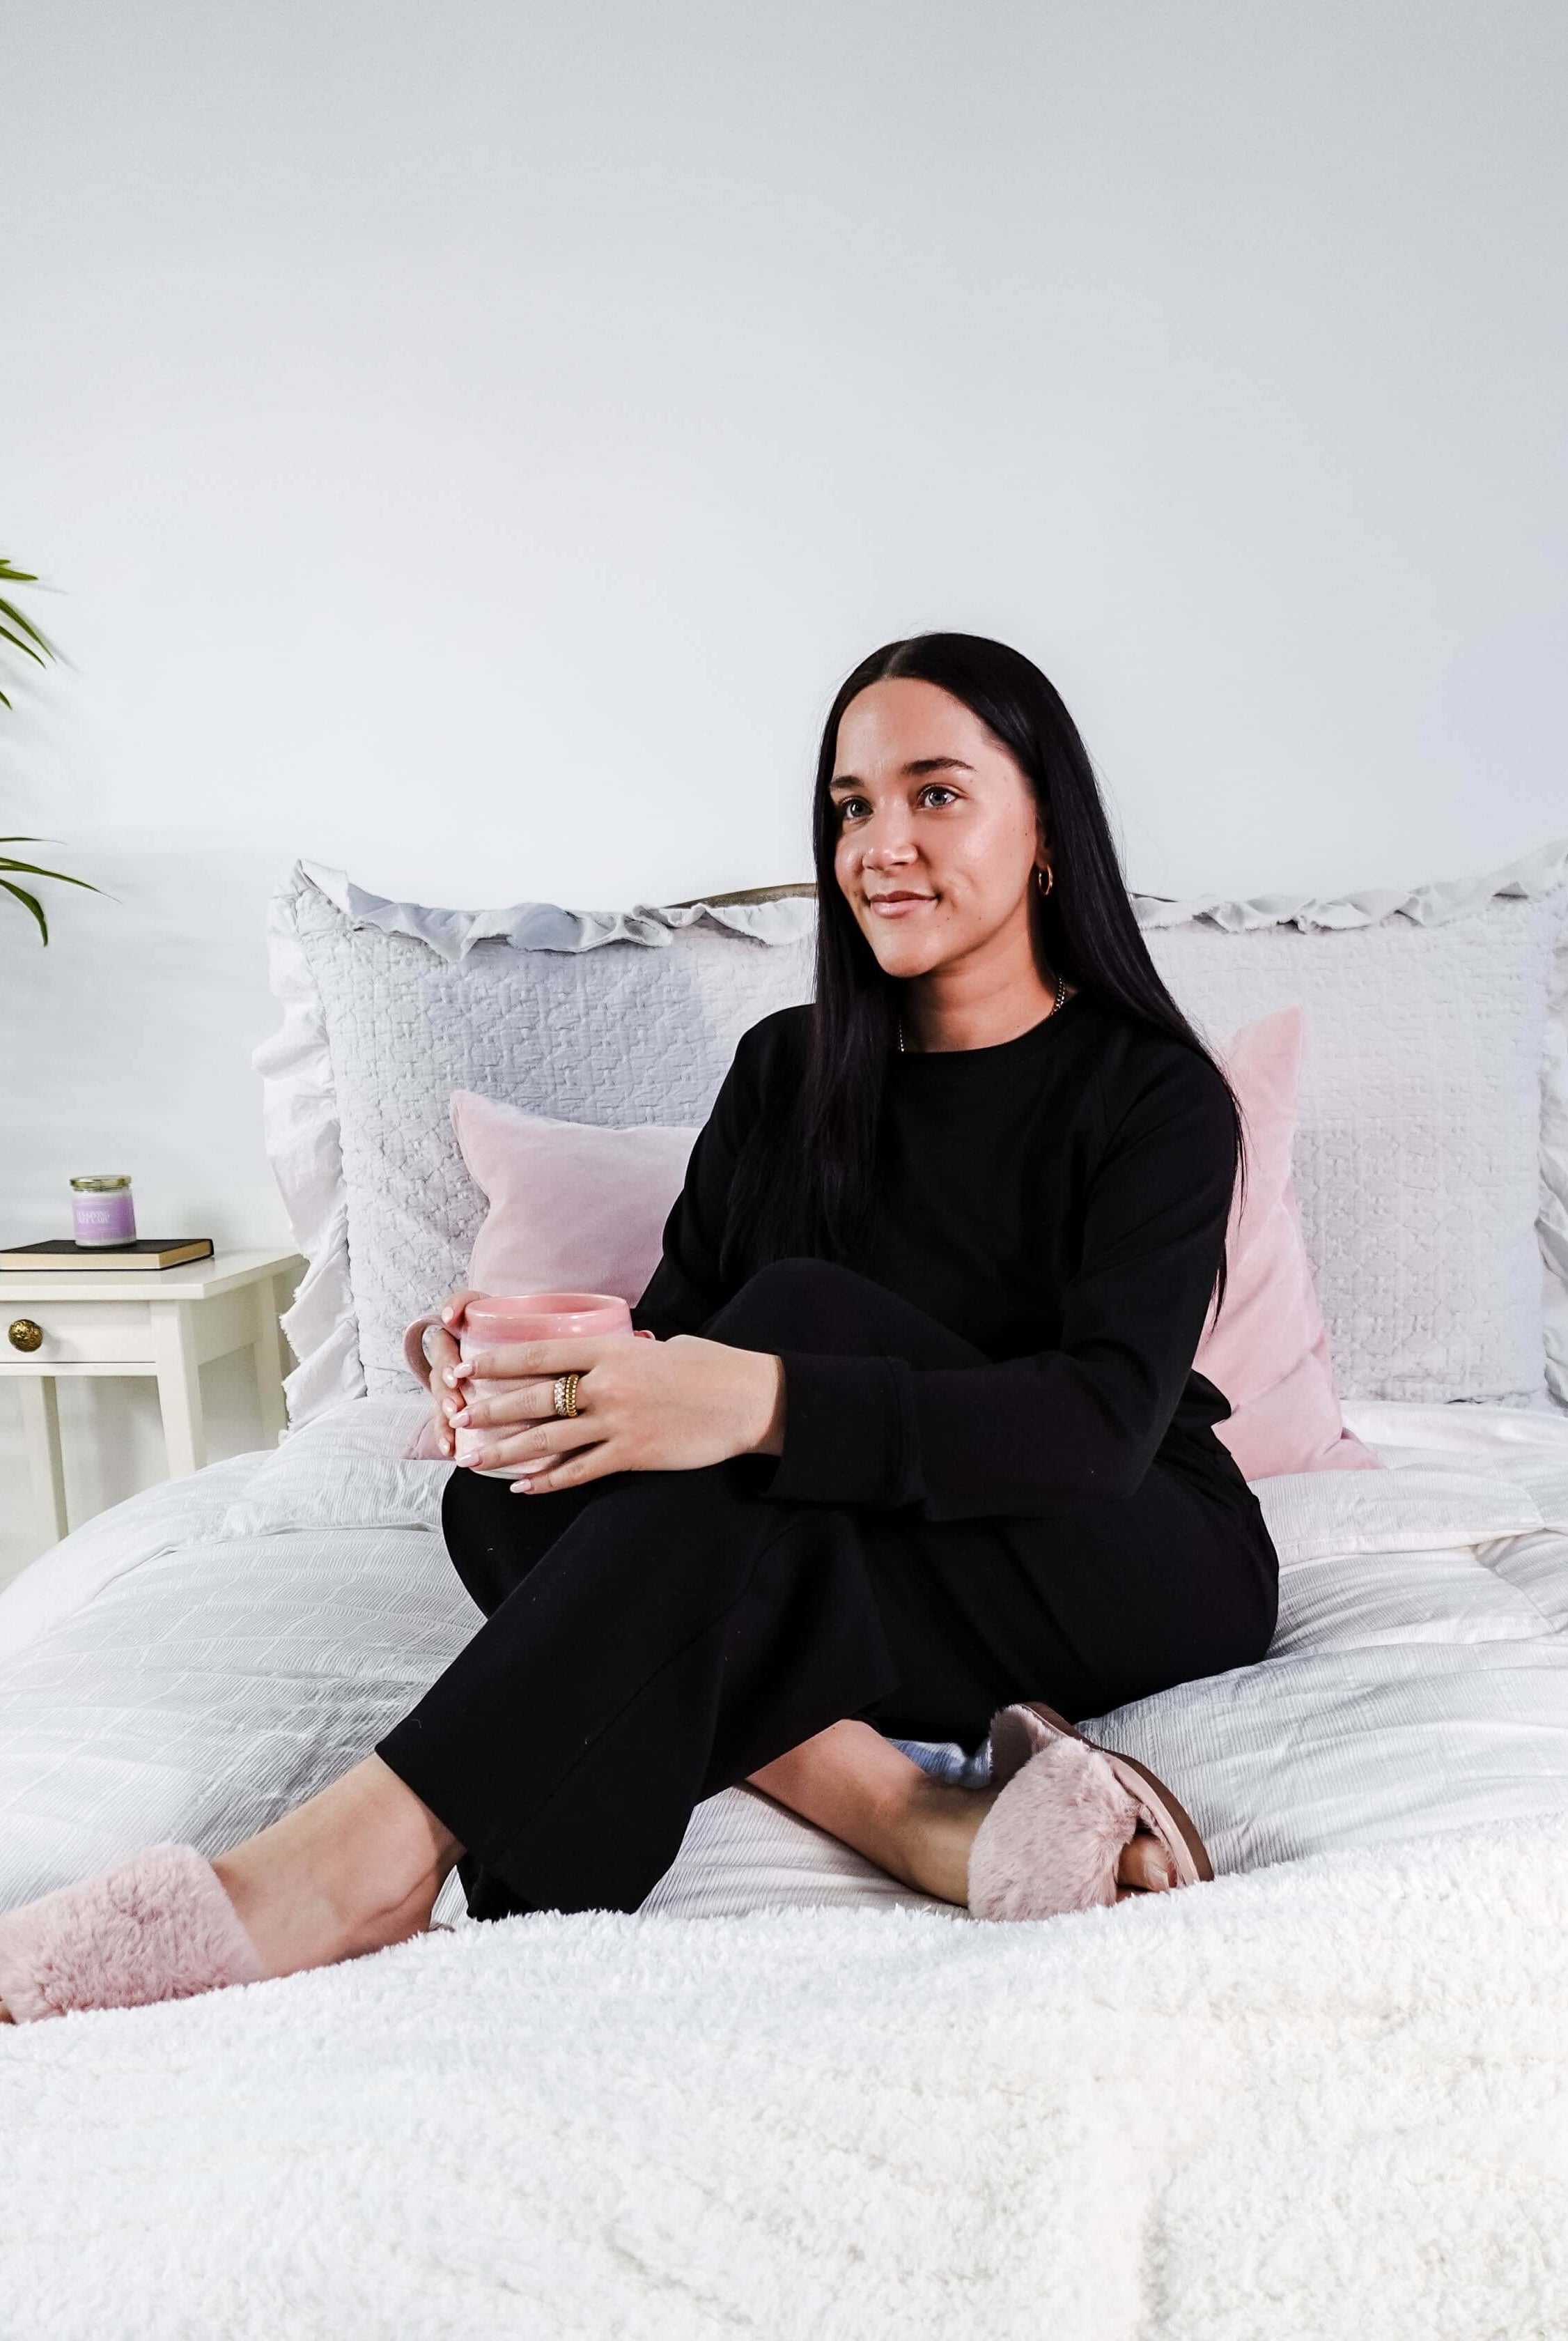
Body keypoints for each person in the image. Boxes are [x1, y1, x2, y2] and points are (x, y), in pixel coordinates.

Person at [0, 631, 1279, 2021]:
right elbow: (671, 1352)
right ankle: (912, 1817)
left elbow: (1095, 1426)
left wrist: (758, 1401)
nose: (881, 843)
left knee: (788, 1332)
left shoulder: (1151, 1095)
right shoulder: (788, 1073)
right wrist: (525, 1374)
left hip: (1121, 1541)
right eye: (850, 806)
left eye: (935, 793)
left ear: (1045, 828)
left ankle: (353, 1858)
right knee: (509, 1502)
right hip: (883, 1554)